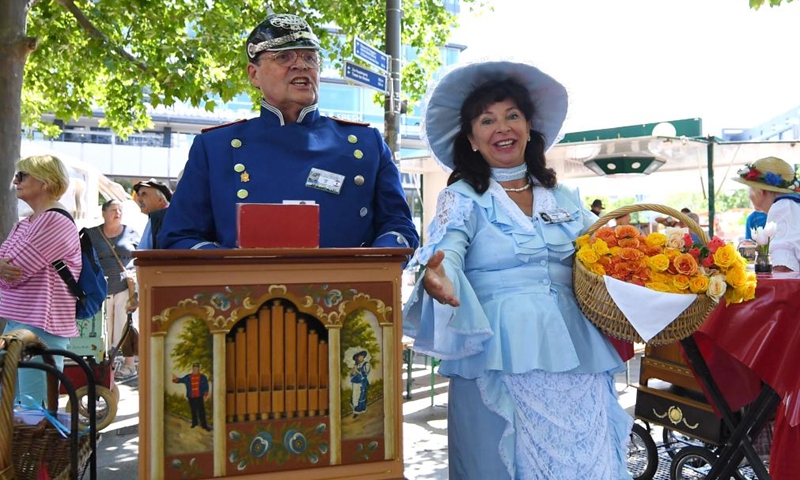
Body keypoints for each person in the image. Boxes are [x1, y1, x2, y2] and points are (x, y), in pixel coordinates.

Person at [402, 60, 631, 479]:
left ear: (529, 128)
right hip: (499, 346)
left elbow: (601, 254)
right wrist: (440, 275)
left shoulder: (562, 195)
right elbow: (448, 248)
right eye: (487, 120)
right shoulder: (463, 196)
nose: (501, 128)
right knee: (507, 461)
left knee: (586, 455)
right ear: (471, 139)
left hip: (577, 344)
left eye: (512, 116)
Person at [158, 11, 419, 252]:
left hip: (348, 297)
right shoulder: (215, 147)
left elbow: (399, 226)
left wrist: (372, 266)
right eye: (283, 57)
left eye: (309, 57)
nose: (301, 65)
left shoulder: (366, 143)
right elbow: (179, 236)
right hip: (245, 298)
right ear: (254, 74)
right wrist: (230, 270)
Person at [0, 155, 81, 405]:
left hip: (40, 325)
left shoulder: (53, 219)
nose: (16, 181)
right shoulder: (26, 223)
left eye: (22, 175)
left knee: (33, 412)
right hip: (21, 322)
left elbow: (15, 272)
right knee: (12, 410)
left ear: (45, 182)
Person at [87, 199, 141, 380]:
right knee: (104, 327)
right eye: (112, 210)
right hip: (101, 287)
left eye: (120, 210)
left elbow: (141, 256)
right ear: (103, 213)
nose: (117, 213)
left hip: (126, 286)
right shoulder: (92, 234)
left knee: (125, 325)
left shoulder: (131, 232)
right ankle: (104, 365)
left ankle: (129, 364)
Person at [733, 156, 800, 272]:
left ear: (760, 191)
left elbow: (783, 266)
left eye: (750, 188)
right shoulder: (792, 204)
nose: (749, 195)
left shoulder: (782, 207)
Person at [134, 178, 171, 249]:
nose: (139, 199)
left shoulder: (156, 219)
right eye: (138, 195)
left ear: (161, 200)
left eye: (144, 194)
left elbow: (142, 253)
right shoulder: (178, 215)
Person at [172, 363, 212, 431]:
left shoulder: (203, 377)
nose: (195, 369)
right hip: (191, 396)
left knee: (201, 411)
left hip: (199, 396)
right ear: (193, 368)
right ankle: (194, 423)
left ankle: (204, 425)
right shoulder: (188, 377)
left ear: (199, 368)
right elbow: (181, 380)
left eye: (197, 368)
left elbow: (206, 386)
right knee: (193, 410)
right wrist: (176, 379)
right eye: (194, 368)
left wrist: (206, 393)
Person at [349, 350, 370, 418]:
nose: (360, 358)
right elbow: (351, 375)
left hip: (362, 382)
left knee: (360, 396)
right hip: (355, 382)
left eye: (361, 356)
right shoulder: (357, 365)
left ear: (363, 357)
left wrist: (357, 371)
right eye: (358, 357)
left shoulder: (366, 364)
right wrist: (353, 371)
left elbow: (365, 374)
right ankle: (355, 409)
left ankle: (359, 410)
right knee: (355, 395)